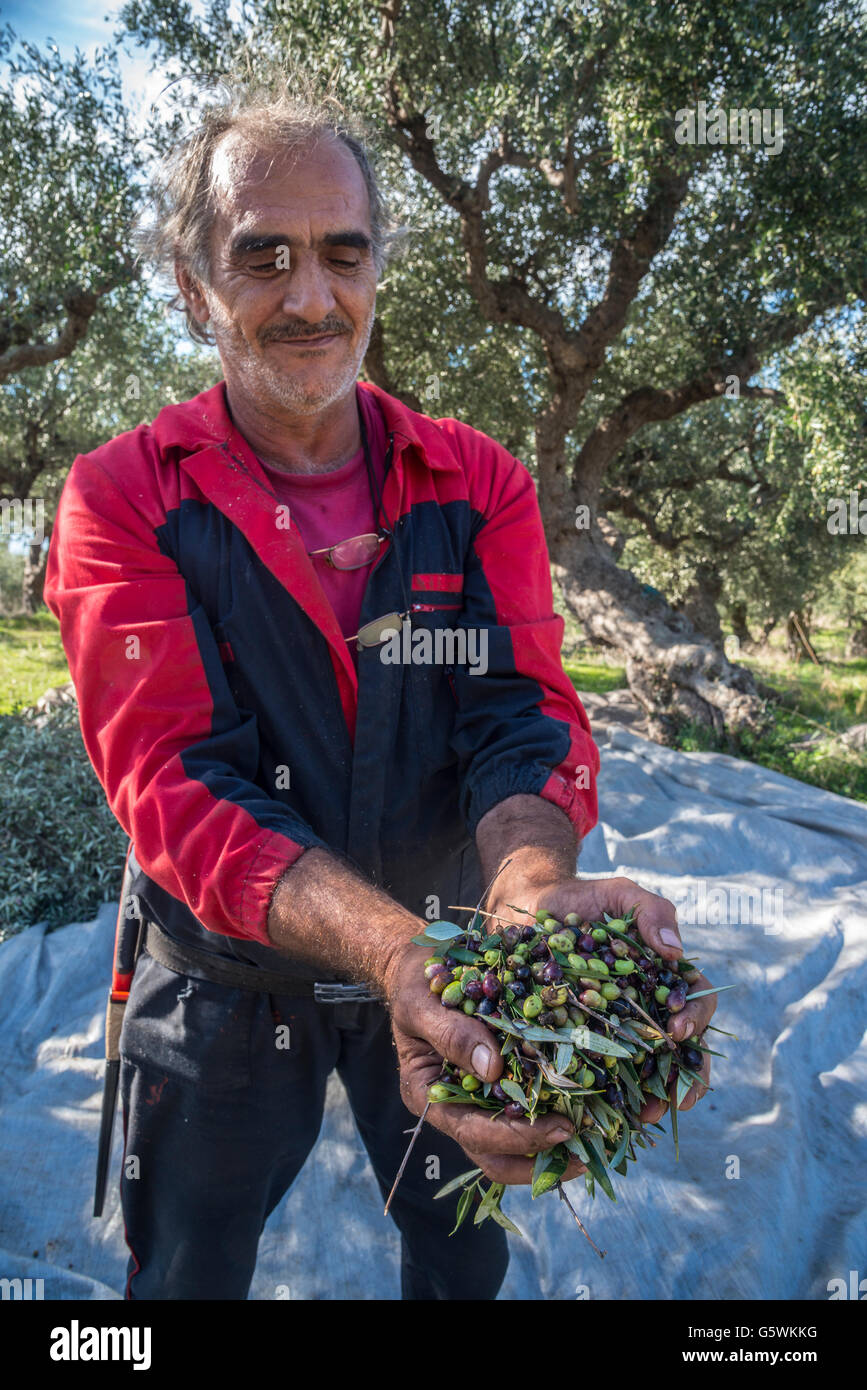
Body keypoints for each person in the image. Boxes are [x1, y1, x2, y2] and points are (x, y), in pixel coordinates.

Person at [43, 78, 716, 1300]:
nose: (312, 297)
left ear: (375, 273)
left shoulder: (478, 484)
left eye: (343, 254)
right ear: (196, 289)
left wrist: (527, 892)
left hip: (456, 955)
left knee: (459, 1250)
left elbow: (521, 713)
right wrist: (395, 949)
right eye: (265, 257)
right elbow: (178, 786)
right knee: (188, 1264)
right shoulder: (123, 499)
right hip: (230, 983)